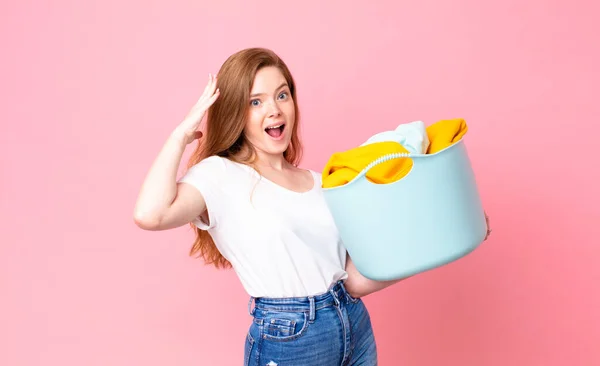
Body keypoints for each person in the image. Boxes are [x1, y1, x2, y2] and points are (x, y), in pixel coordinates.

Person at [133, 47, 491, 365]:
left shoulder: (322, 184)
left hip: (353, 324)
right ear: (235, 113)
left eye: (282, 95)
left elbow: (353, 279)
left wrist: (441, 243)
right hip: (289, 339)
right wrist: (181, 134)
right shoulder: (219, 176)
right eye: (255, 101)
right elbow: (151, 214)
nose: (274, 109)